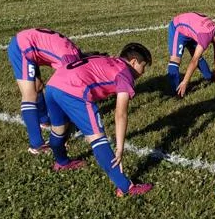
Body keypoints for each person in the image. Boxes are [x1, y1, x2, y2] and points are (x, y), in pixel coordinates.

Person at [43, 43, 154, 197]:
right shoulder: (125, 74)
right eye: (144, 66)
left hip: (53, 85)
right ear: (134, 61)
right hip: (74, 90)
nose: (144, 72)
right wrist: (120, 148)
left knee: (59, 128)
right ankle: (125, 187)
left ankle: (61, 162)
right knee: (97, 138)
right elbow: (120, 113)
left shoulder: (109, 60)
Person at [6, 27, 83, 154]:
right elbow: (61, 94)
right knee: (29, 94)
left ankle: (44, 120)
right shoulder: (70, 62)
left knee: (38, 86)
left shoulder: (74, 55)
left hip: (29, 42)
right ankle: (36, 144)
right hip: (23, 48)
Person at [166, 12, 215, 97]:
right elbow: (194, 61)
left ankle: (209, 77)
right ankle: (176, 92)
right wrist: (185, 82)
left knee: (198, 56)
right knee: (175, 59)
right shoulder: (205, 36)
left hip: (192, 29)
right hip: (178, 28)